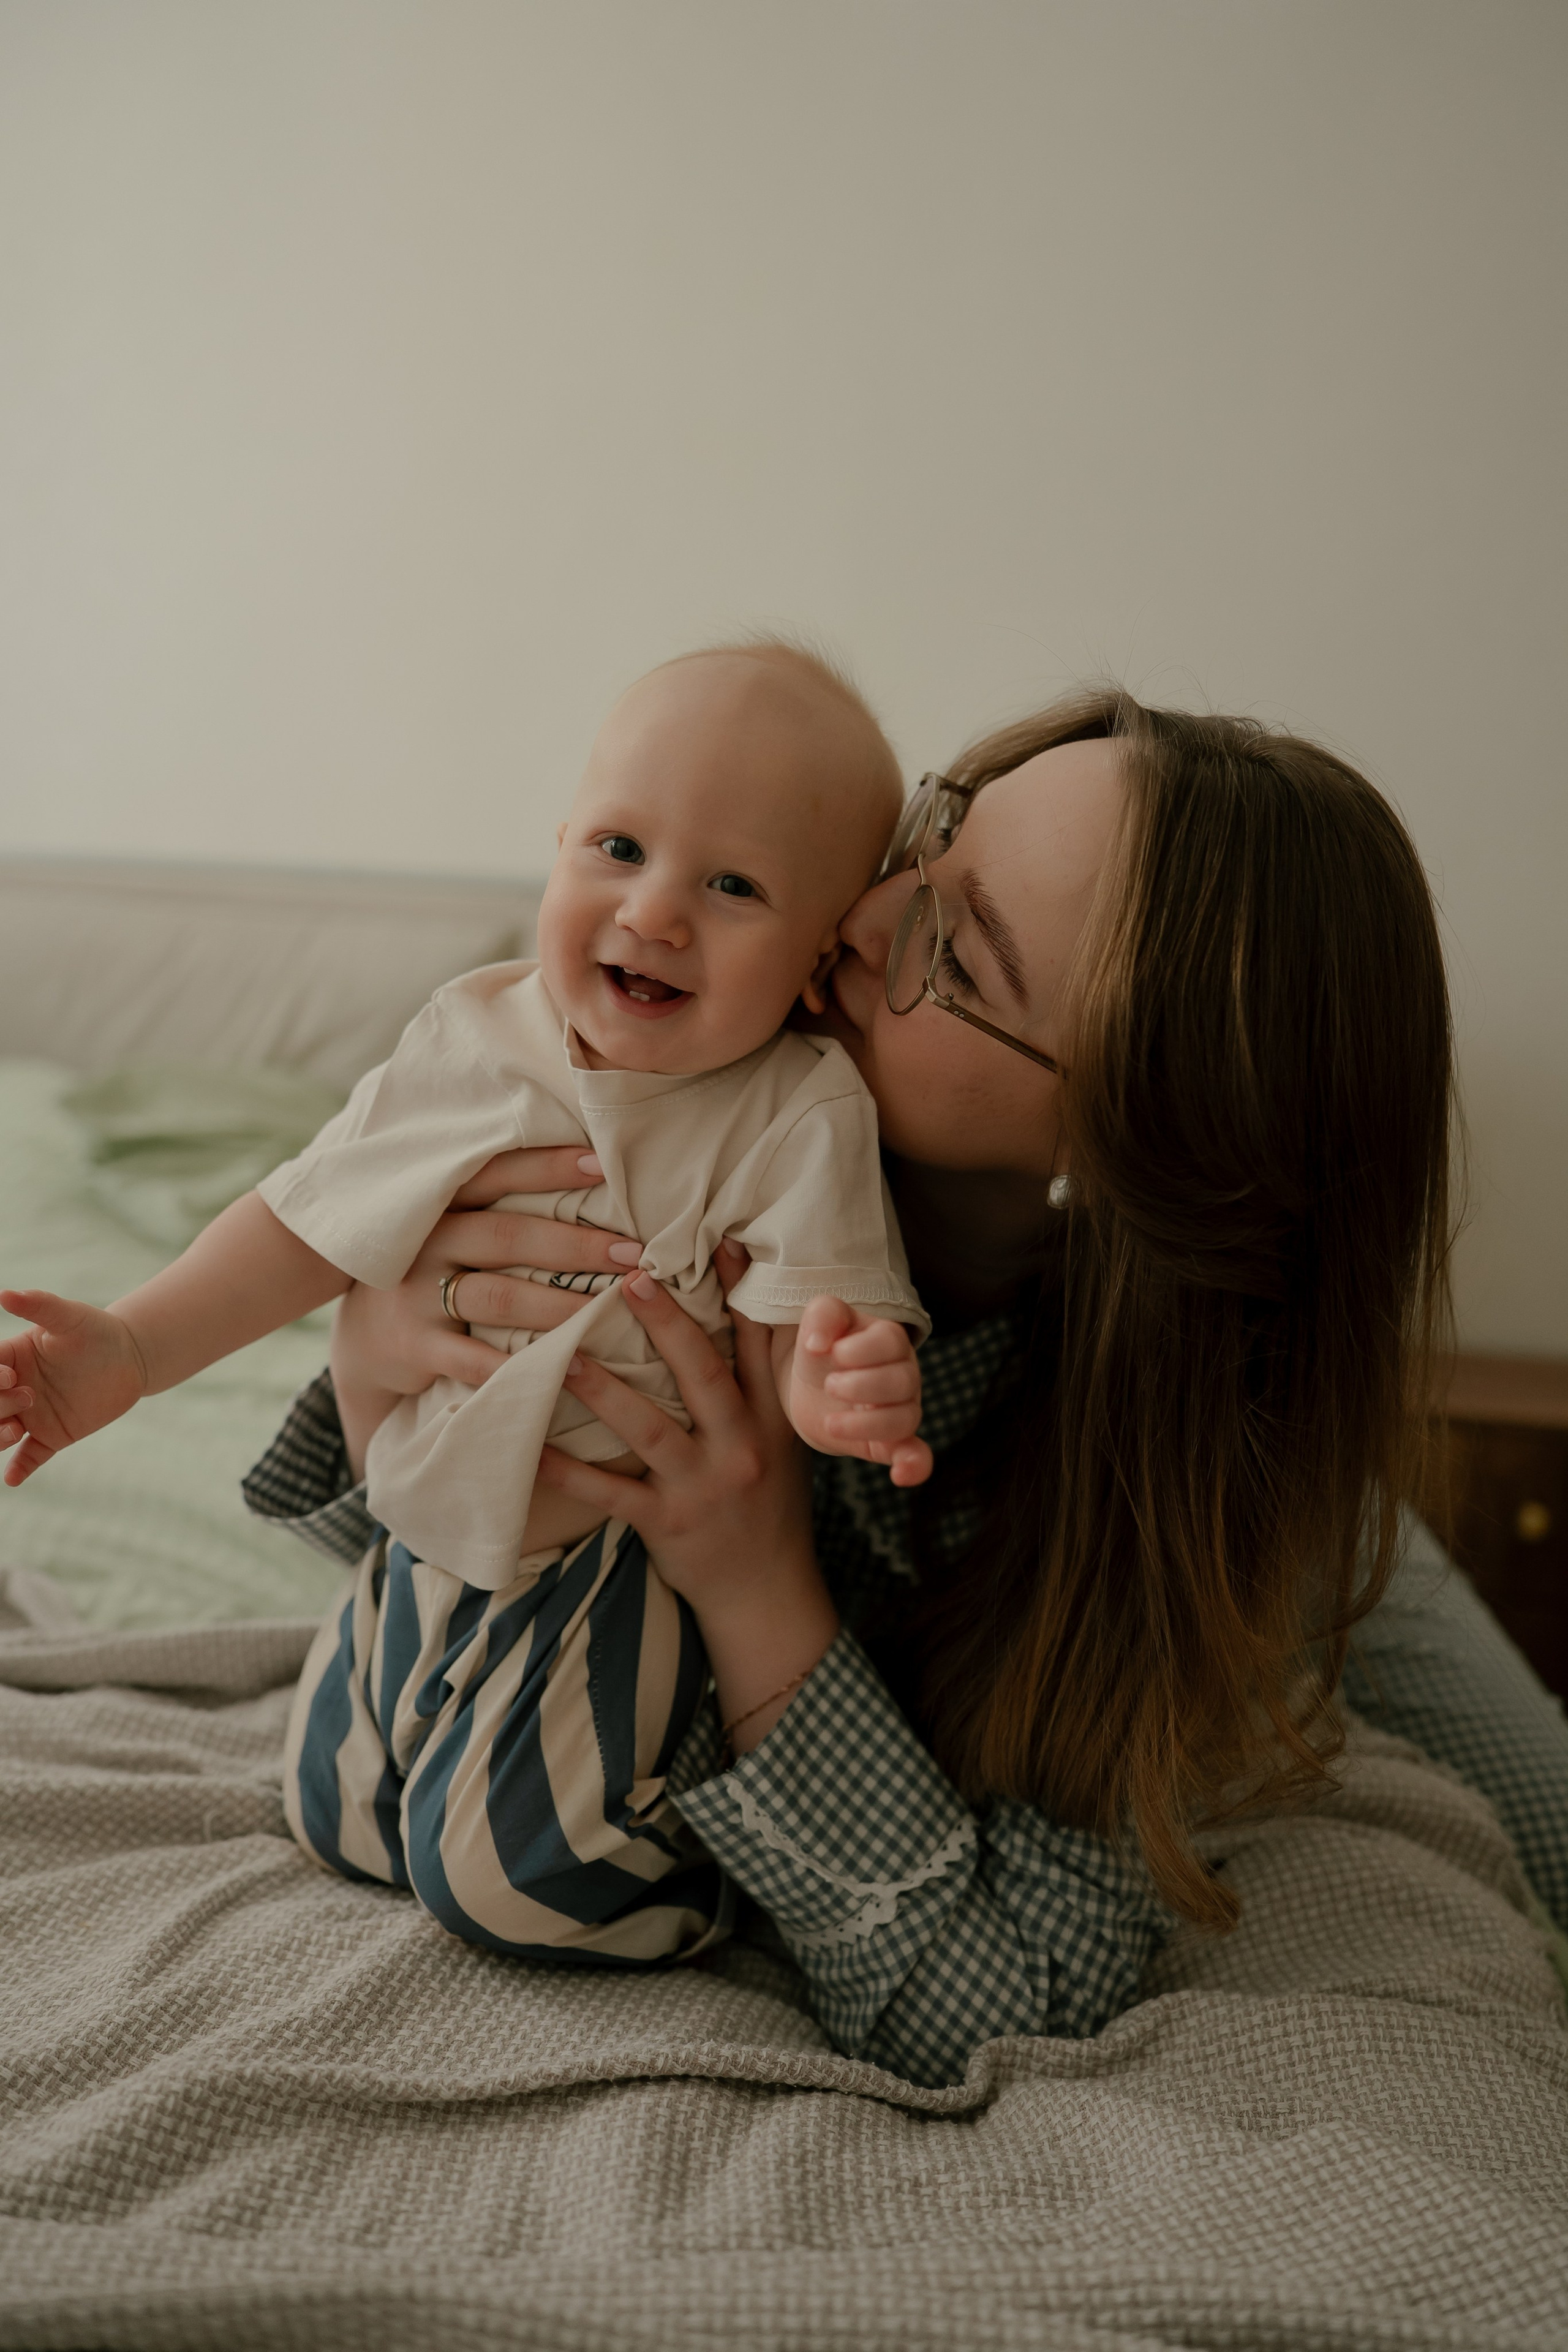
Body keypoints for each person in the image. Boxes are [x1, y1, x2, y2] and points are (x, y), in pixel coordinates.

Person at [243, 686, 1566, 2085]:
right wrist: (370, 1371)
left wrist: (757, 1588)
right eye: (932, 837)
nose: (861, 920)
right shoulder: (664, 1090)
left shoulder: (1171, 1498)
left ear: (1126, 1145)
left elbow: (1006, 1998)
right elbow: (448, 1599)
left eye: (960, 953)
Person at [0, 641, 937, 1966]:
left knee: (515, 1883)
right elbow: (306, 1219)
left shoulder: (795, 1109)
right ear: (557, 849)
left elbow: (805, 1323)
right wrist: (136, 1346)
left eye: (732, 885)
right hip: (418, 1523)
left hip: (605, 1559)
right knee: (335, 1818)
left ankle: (702, 1876)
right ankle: (440, 1757)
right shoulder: (473, 1036)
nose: (656, 912)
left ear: (818, 961)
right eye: (619, 847)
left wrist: (840, 1387)